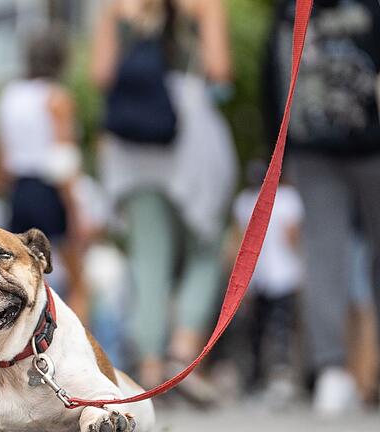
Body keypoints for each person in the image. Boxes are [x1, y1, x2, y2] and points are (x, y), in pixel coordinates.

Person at [91, 0, 237, 402]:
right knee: (206, 248)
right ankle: (182, 352)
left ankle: (150, 367)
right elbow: (220, 71)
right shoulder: (202, 6)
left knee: (147, 256)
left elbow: (102, 74)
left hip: (131, 146)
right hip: (189, 132)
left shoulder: (116, 9)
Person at [263, 0, 380, 416]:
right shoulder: (290, 8)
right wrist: (274, 151)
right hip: (312, 148)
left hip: (372, 144)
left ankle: (360, 371)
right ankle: (332, 368)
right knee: (324, 253)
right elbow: (272, 70)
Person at [0, 27, 88, 321]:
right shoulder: (56, 97)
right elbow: (63, 159)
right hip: (50, 190)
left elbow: (2, 156)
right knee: (77, 279)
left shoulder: (9, 96)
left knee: (21, 276)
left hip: (19, 191)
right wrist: (75, 208)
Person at [232, 162, 303, 406]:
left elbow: (239, 239)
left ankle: (257, 379)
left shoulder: (245, 200)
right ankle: (278, 377)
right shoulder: (289, 198)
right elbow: (294, 236)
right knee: (281, 329)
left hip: (262, 276)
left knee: (257, 331)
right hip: (283, 274)